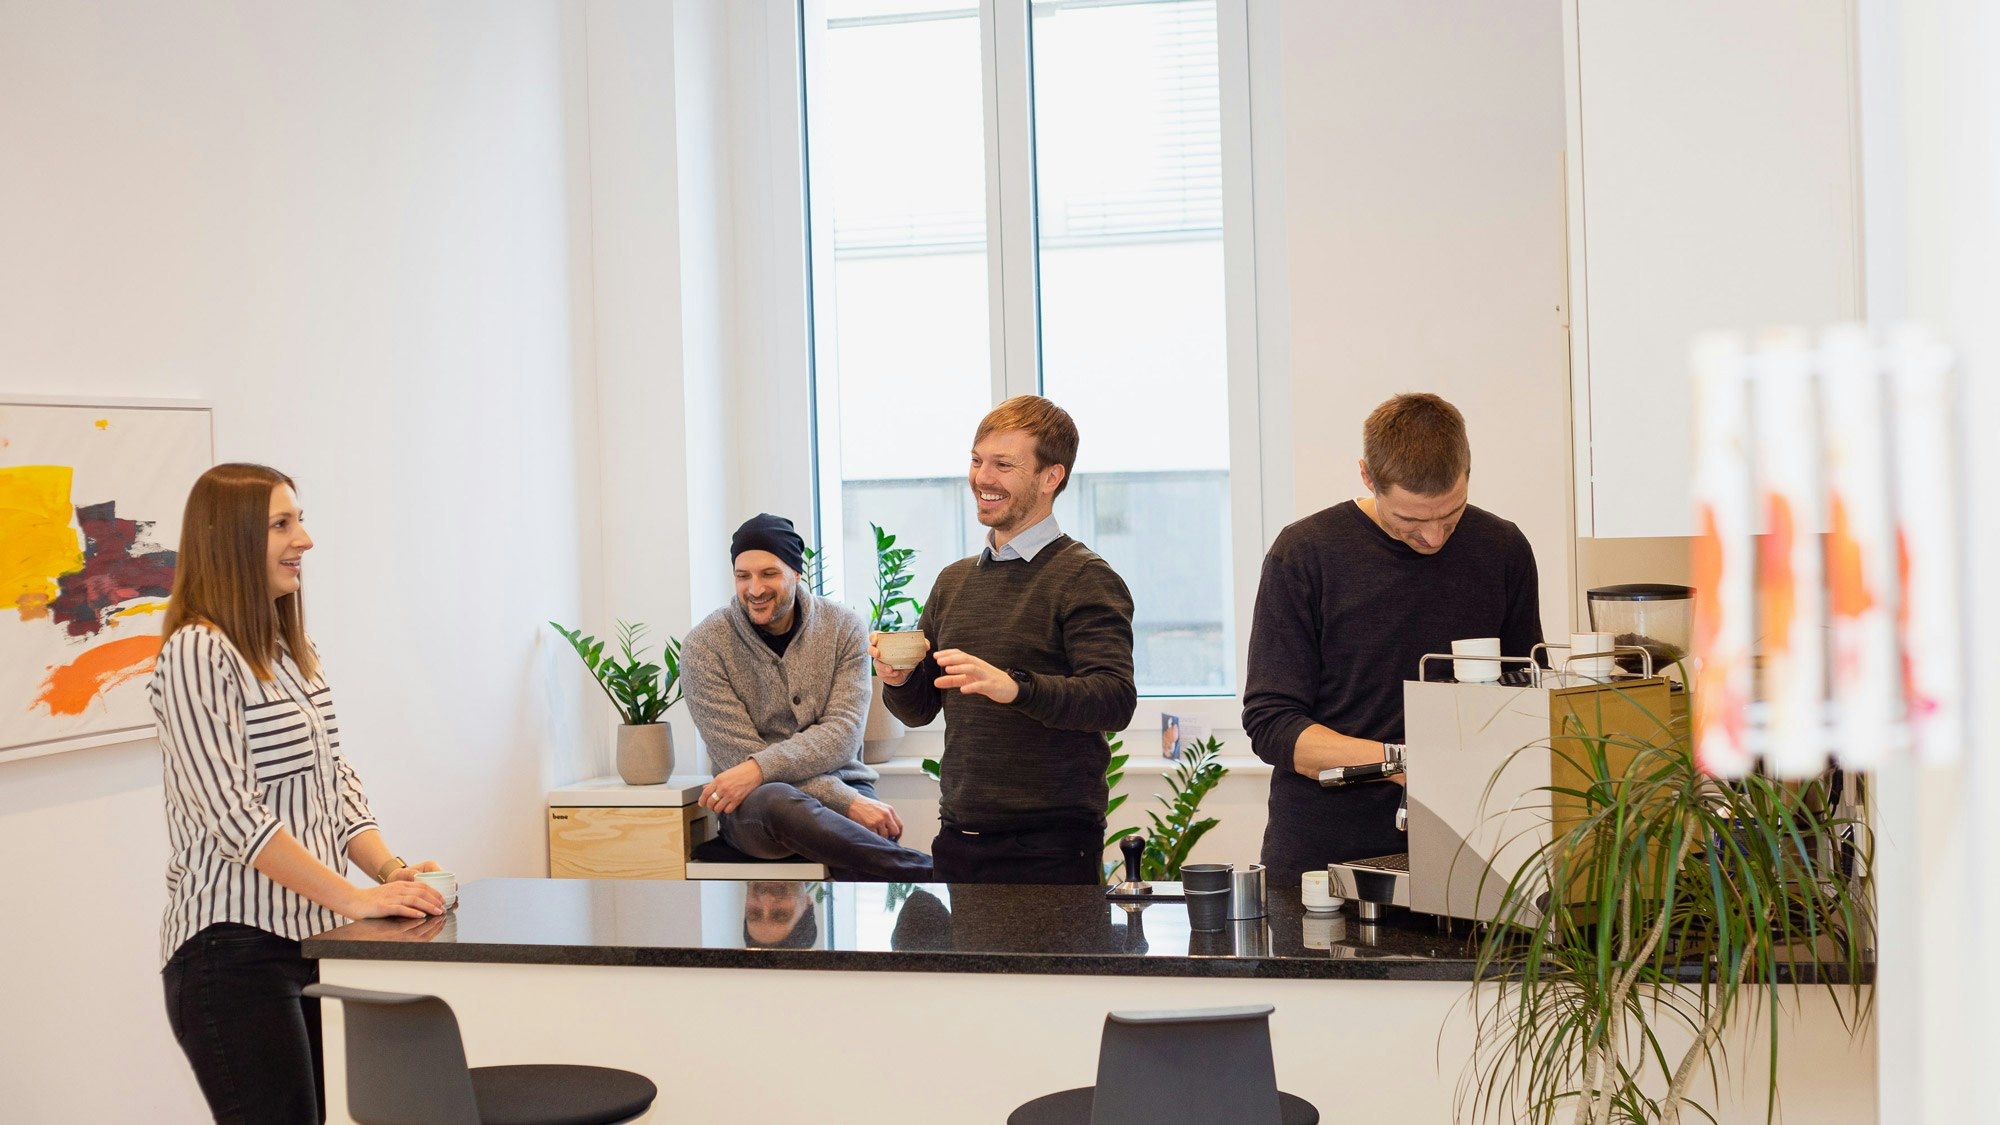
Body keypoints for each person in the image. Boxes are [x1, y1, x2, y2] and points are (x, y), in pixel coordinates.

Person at [152, 463, 445, 1125]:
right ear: (229, 541)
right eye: (282, 523)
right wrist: (356, 897)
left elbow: (332, 779)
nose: (304, 539)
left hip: (308, 938)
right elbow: (233, 817)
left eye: (299, 519)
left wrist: (390, 870)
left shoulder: (289, 648)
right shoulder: (198, 652)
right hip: (230, 952)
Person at [1242, 393, 1544, 891]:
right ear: (1367, 476)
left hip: (1472, 851)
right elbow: (1272, 724)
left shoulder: (1503, 549)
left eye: (1450, 516)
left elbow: (1526, 696)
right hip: (1324, 859)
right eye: (1412, 521)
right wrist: (1401, 762)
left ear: (1467, 470)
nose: (1433, 538)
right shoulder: (1304, 554)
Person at [875, 395, 1138, 885]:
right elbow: (919, 711)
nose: (982, 478)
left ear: (1050, 477)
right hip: (958, 836)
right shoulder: (953, 582)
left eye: (1003, 464)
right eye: (977, 461)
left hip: (1052, 845)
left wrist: (1015, 687)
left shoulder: (1085, 577)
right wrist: (898, 679)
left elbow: (1114, 699)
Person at [683, 514, 932, 881]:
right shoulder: (704, 647)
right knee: (777, 799)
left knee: (857, 856)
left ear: (797, 573)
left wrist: (762, 768)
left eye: (769, 573)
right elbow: (741, 762)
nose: (754, 589)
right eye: (743, 576)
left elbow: (842, 734)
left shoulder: (844, 627)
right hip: (756, 809)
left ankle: (922, 926)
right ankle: (930, 875)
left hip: (846, 782)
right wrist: (846, 804)